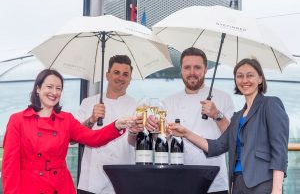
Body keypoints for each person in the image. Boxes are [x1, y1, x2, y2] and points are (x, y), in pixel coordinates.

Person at [1, 69, 140, 194]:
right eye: (49, 87)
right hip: (29, 188)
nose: (54, 92)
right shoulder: (18, 120)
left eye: (58, 88)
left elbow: (94, 138)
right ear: (38, 88)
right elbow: (9, 167)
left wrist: (116, 125)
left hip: (60, 187)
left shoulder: (66, 119)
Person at [168, 58, 289, 194]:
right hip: (237, 184)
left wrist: (277, 190)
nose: (244, 80)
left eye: (250, 75)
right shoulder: (237, 117)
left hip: (262, 183)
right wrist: (185, 133)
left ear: (260, 79)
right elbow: (216, 146)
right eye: (239, 76)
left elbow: (279, 150)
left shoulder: (270, 104)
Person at [146, 47, 235, 193]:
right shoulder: (168, 102)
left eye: (197, 67)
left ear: (206, 69)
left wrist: (217, 114)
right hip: (178, 180)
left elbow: (232, 137)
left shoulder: (223, 98)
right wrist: (154, 130)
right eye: (187, 67)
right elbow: (160, 139)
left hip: (215, 183)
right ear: (181, 70)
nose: (192, 72)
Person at [77, 55, 138, 194]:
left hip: (123, 181)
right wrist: (91, 119)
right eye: (116, 72)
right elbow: (75, 139)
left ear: (130, 79)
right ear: (107, 75)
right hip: (91, 182)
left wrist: (134, 132)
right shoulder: (88, 102)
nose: (120, 78)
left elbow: (135, 143)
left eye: (125, 74)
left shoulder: (137, 106)